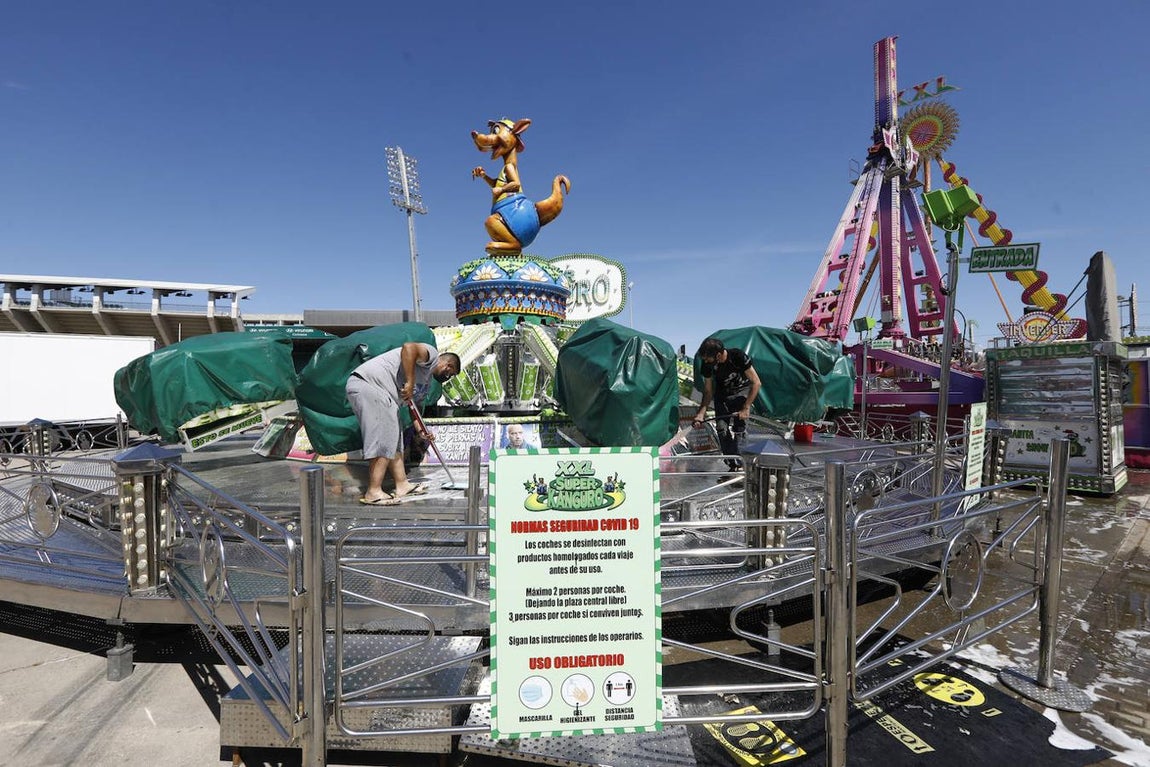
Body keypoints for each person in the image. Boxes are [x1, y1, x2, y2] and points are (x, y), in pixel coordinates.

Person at [345, 342, 460, 505]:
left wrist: (421, 430)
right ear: (448, 364)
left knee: (394, 436)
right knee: (382, 436)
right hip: (371, 384)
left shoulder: (426, 382)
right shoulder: (432, 355)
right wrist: (410, 381)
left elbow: (413, 407)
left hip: (385, 394)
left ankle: (402, 485)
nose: (447, 377)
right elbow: (409, 348)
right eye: (450, 373)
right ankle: (374, 492)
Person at [692, 338, 761, 474]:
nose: (706, 362)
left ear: (718, 355)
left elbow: (756, 382)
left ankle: (742, 461)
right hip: (722, 394)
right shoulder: (707, 365)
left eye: (708, 359)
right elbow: (708, 391)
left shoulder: (737, 357)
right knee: (721, 428)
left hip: (742, 392)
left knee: (739, 427)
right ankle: (731, 462)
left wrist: (746, 407)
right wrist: (701, 413)